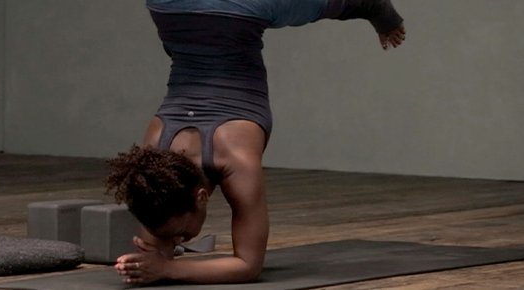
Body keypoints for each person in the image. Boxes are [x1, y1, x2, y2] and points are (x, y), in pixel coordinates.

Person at [104, 0, 406, 285]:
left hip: (239, 9)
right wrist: (153, 257)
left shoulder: (236, 160)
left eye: (182, 235)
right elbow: (156, 242)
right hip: (172, 9)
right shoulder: (151, 172)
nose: (180, 239)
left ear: (201, 196)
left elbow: (248, 266)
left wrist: (167, 267)